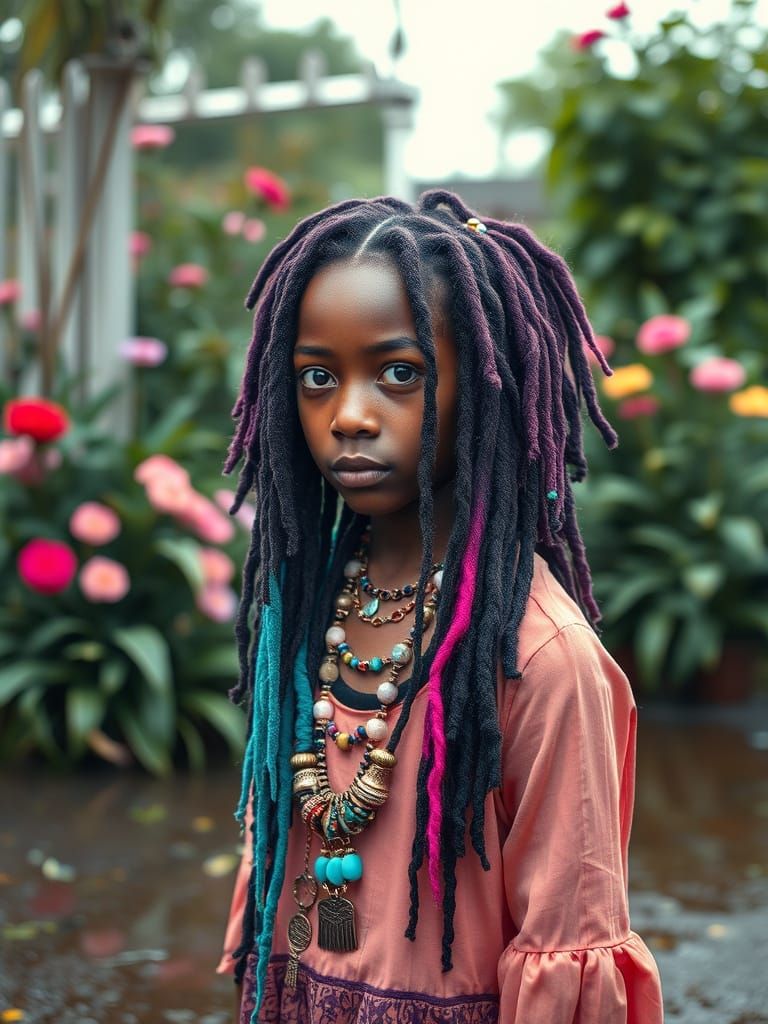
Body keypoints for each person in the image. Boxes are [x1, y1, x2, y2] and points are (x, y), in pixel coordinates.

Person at [216, 190, 664, 1023]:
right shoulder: (304, 604)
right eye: (318, 377)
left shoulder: (539, 659)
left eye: (399, 373)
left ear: (489, 383)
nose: (349, 415)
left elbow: (571, 939)